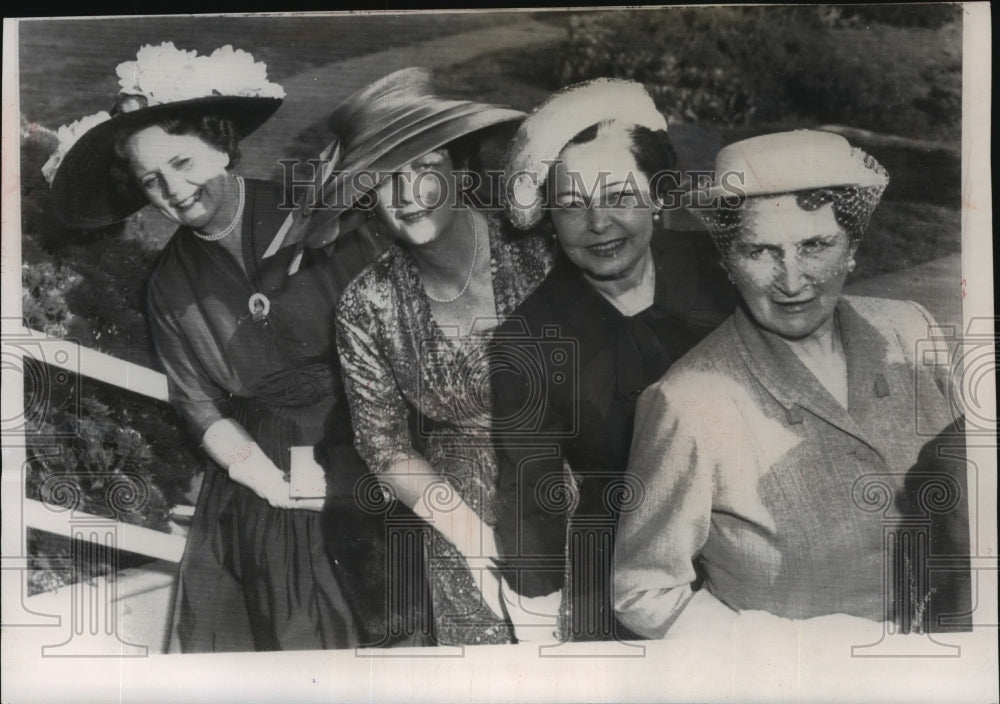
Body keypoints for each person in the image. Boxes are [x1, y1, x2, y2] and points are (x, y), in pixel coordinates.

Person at [47, 42, 386, 652]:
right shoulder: (171, 284)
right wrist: (267, 482)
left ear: (221, 145)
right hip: (262, 464)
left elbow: (391, 343)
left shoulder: (313, 217)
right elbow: (199, 405)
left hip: (366, 429)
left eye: (182, 162)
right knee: (284, 606)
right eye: (152, 181)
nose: (174, 189)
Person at [614, 130, 969, 638]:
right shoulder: (689, 402)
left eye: (815, 245)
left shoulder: (910, 330)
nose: (792, 279)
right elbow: (642, 591)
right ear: (728, 262)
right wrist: (782, 655)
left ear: (853, 247)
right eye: (760, 251)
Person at [490, 79, 737, 643]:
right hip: (627, 565)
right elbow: (532, 502)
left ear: (657, 195)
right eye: (572, 205)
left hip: (750, 535)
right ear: (549, 220)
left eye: (620, 196)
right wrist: (538, 635)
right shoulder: (527, 340)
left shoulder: (719, 272)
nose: (599, 224)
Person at [326, 68, 556, 646]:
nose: (407, 197)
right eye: (386, 180)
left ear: (460, 168)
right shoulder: (367, 303)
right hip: (460, 516)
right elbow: (385, 446)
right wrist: (475, 546)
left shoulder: (540, 248)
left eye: (426, 169)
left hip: (572, 487)